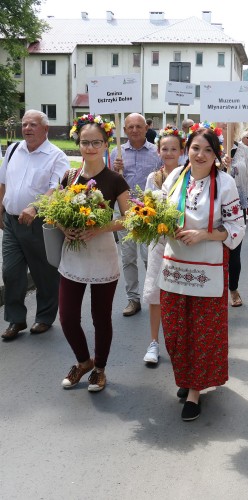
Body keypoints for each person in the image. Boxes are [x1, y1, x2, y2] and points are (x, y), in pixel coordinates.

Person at [158, 124, 245, 421]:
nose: (201, 154)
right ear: (187, 150)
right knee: (175, 328)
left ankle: (195, 389)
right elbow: (159, 214)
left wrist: (203, 235)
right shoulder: (174, 177)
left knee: (202, 330)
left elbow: (236, 227)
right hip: (174, 265)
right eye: (196, 148)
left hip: (207, 267)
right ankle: (186, 375)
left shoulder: (224, 183)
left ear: (217, 154)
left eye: (208, 150)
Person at [59, 115, 130, 392]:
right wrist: (65, 227)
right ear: (78, 143)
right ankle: (83, 361)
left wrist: (101, 228)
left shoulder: (115, 180)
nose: (89, 147)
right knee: (66, 317)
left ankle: (99, 369)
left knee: (101, 317)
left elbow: (129, 218)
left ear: (106, 144)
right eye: (84, 142)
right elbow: (54, 211)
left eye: (96, 142)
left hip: (102, 254)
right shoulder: (69, 176)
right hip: (73, 254)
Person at [0, 110, 69, 341]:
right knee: (10, 272)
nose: (27, 128)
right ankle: (16, 319)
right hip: (11, 221)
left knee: (44, 273)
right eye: (24, 124)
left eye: (33, 124)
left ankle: (45, 317)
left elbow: (56, 188)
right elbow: (3, 182)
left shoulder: (56, 156)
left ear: (45, 129)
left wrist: (36, 207)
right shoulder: (12, 149)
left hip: (39, 223)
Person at [111, 113, 162, 316]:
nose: (134, 130)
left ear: (146, 128)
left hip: (148, 210)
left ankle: (155, 296)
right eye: (130, 127)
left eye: (138, 126)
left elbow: (163, 178)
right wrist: (115, 171)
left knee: (150, 256)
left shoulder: (156, 153)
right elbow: (108, 181)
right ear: (124, 130)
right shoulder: (117, 153)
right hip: (124, 210)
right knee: (128, 257)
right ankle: (133, 299)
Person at [142, 126, 185, 364]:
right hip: (159, 242)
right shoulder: (153, 178)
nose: (169, 153)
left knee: (179, 293)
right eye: (164, 149)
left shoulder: (189, 176)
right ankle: (153, 342)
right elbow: (147, 208)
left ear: (181, 151)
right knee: (155, 292)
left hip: (182, 242)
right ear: (158, 151)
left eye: (173, 149)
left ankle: (179, 343)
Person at [224, 129, 248, 307]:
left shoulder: (243, 150)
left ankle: (233, 288)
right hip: (213, 209)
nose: (225, 126)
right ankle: (214, 290)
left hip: (237, 209)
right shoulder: (209, 145)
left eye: (228, 123)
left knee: (235, 254)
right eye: (221, 122)